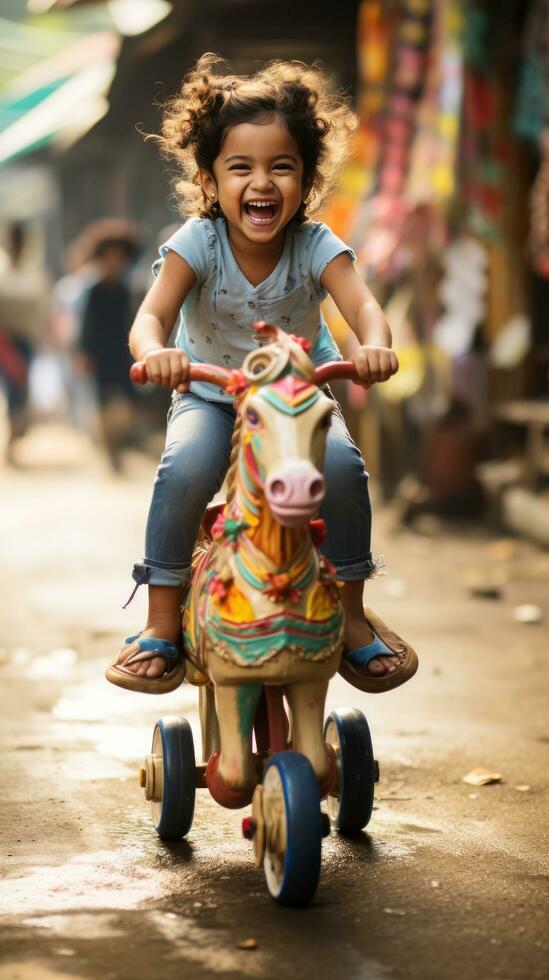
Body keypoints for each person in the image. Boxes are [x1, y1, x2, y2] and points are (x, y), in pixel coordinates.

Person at [107, 53, 418, 694]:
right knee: (186, 467)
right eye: (240, 167)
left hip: (297, 397)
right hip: (211, 396)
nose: (263, 182)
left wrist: (376, 345)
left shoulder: (314, 244)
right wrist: (155, 352)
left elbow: (361, 305)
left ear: (307, 180)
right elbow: (150, 319)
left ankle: (352, 617)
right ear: (209, 178)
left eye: (282, 166)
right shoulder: (197, 241)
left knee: (341, 468)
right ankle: (162, 618)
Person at [77, 224, 140, 470]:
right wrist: (83, 354)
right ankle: (110, 452)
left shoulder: (126, 291)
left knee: (124, 405)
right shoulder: (93, 291)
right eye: (109, 257)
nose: (114, 262)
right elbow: (86, 326)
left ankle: (119, 444)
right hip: (100, 354)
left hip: (123, 353)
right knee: (102, 404)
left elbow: (134, 322)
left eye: (118, 258)